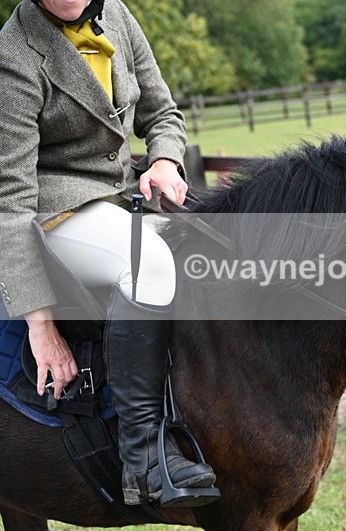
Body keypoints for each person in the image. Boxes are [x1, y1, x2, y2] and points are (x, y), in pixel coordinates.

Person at [0, 0, 216, 505]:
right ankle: (142, 459)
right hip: (52, 211)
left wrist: (164, 159)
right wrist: (42, 328)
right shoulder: (12, 54)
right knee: (149, 265)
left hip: (122, 196)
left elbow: (162, 112)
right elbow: (9, 203)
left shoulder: (117, 14)